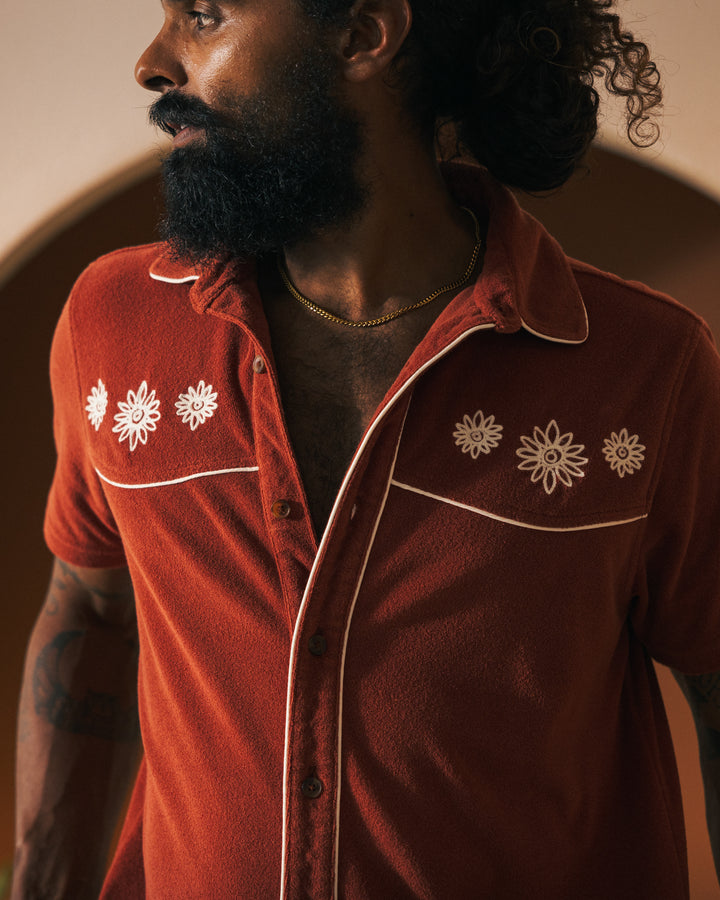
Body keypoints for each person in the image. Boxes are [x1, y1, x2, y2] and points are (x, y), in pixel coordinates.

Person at [11, 0, 720, 896]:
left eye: (202, 14)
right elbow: (90, 607)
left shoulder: (646, 370)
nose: (154, 63)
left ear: (362, 34)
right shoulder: (113, 324)